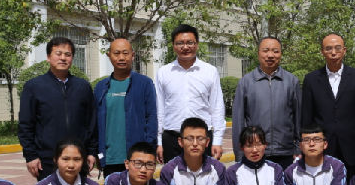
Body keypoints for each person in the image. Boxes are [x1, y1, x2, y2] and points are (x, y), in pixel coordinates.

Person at [19, 36, 98, 180]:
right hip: (47, 159)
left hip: (78, 158)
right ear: (48, 57)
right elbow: (26, 124)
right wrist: (31, 156)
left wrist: (92, 152)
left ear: (72, 58)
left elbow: (91, 123)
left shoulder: (83, 87)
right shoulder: (34, 86)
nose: (63, 58)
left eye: (67, 54)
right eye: (58, 53)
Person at [301, 33, 355, 172]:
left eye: (337, 48)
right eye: (328, 48)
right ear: (322, 52)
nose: (333, 52)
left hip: (352, 146)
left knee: (352, 184)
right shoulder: (311, 79)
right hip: (322, 147)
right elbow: (307, 117)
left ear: (344, 50)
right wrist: (307, 144)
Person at [155, 24, 226, 163]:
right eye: (180, 43)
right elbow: (159, 109)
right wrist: (159, 141)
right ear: (173, 46)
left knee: (204, 176)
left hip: (202, 139)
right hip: (172, 139)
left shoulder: (210, 71)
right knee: (172, 176)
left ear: (197, 44)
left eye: (190, 42)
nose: (185, 47)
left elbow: (217, 107)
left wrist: (217, 140)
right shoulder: (163, 72)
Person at [232, 37, 301, 168]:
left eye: (275, 51)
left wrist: (298, 147)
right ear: (258, 53)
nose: (270, 55)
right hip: (255, 151)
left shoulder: (292, 81)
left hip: (285, 152)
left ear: (281, 54)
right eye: (265, 50)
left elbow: (298, 118)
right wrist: (239, 154)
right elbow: (238, 121)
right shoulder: (246, 82)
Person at [94, 38, 157, 176]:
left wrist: (149, 150)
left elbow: (151, 118)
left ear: (133, 55)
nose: (121, 57)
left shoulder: (144, 83)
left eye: (125, 53)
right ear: (109, 55)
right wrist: (98, 153)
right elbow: (95, 124)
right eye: (116, 53)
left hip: (138, 158)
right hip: (110, 158)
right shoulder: (101, 87)